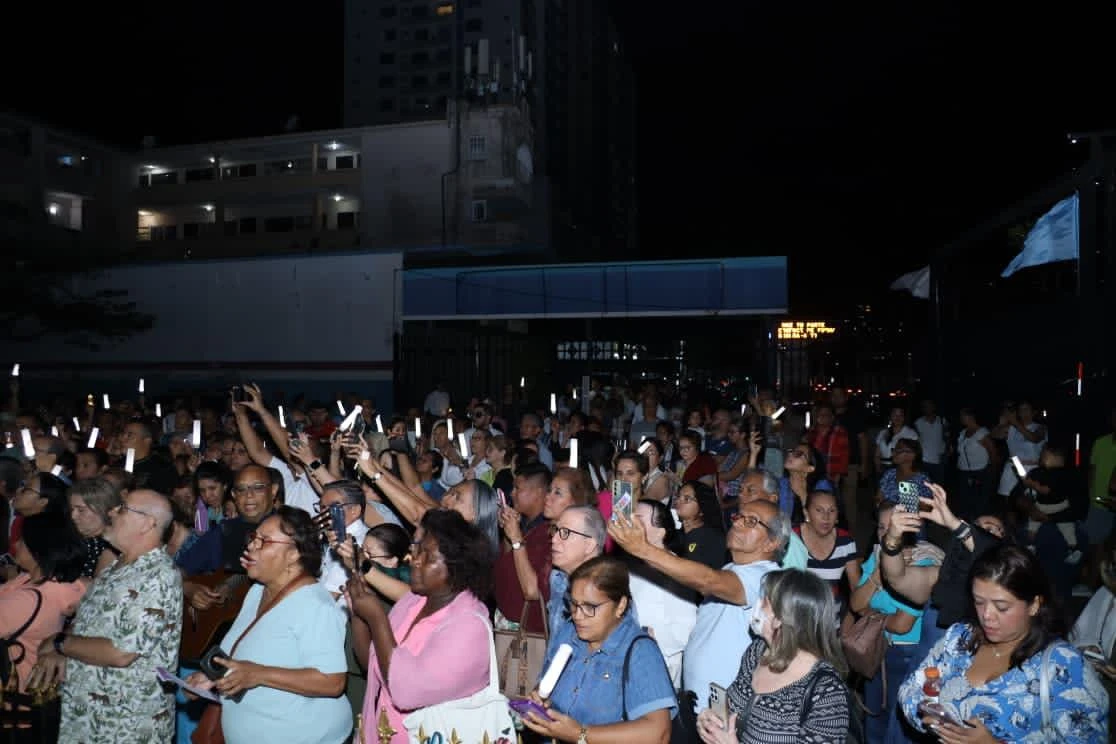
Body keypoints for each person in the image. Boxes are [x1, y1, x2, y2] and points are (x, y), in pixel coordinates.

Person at [899, 544, 1108, 742]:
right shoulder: (959, 638)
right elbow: (911, 688)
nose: (987, 616)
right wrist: (930, 717)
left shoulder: (1064, 665)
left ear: (1034, 605)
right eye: (979, 602)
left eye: (1002, 607)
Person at [184, 506, 352, 744]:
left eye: (264, 541)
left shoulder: (314, 605)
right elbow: (242, 653)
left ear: (294, 553)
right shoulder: (257, 591)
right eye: (253, 538)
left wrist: (258, 674)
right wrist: (211, 678)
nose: (252, 546)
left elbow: (332, 681)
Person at [29, 489, 183, 744]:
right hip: (88, 720)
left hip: (123, 727)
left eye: (122, 508)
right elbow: (88, 627)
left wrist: (60, 643)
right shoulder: (116, 566)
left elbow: (121, 653)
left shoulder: (157, 575)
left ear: (147, 523)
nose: (111, 512)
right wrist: (65, 648)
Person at [349, 509, 496, 744]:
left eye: (428, 557)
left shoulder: (469, 626)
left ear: (456, 566)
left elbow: (405, 692)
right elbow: (373, 664)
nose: (414, 560)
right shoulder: (414, 601)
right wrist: (357, 612)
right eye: (416, 551)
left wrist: (377, 619)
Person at [520, 556, 676, 743]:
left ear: (621, 605)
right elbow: (546, 685)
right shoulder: (568, 633)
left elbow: (659, 734)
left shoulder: (640, 651)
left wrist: (580, 734)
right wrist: (541, 700)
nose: (578, 615)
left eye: (589, 607)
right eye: (574, 604)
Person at [696, 569, 851, 743]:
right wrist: (711, 722)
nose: (757, 604)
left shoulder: (827, 692)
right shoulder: (756, 652)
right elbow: (735, 712)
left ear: (781, 618)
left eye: (764, 601)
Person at [0, 513, 86, 701]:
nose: (15, 545)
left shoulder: (28, 600)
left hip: (16, 703)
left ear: (38, 551)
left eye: (22, 541)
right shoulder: (55, 585)